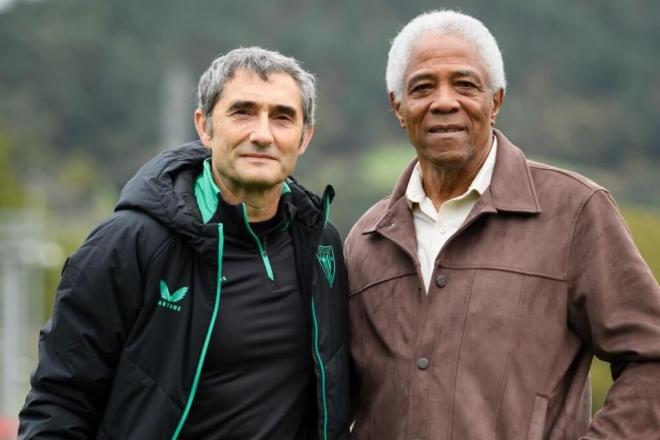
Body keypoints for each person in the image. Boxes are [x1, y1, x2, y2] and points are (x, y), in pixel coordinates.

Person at [344, 10, 660, 439]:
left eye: (465, 85)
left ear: (496, 100)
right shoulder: (365, 241)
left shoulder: (575, 211)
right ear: (398, 107)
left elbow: (650, 356)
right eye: (422, 87)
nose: (444, 102)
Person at [19, 47, 350, 439]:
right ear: (204, 126)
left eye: (282, 117)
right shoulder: (128, 242)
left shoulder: (321, 247)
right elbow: (58, 401)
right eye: (243, 112)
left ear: (304, 137)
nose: (262, 134)